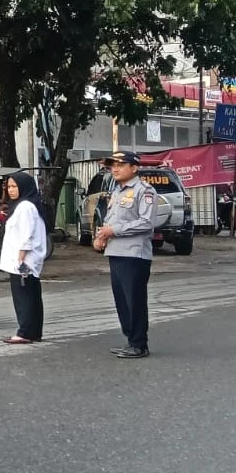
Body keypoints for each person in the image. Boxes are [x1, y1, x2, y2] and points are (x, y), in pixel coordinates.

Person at [93, 151, 156, 359]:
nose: (115, 169)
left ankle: (139, 344)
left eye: (120, 165)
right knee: (122, 301)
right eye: (112, 166)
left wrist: (114, 231)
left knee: (134, 300)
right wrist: (102, 236)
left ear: (134, 167)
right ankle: (130, 339)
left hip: (134, 254)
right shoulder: (117, 191)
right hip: (116, 252)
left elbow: (146, 223)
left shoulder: (144, 190)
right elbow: (111, 220)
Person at [0, 172, 47, 345]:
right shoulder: (25, 205)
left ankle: (25, 332)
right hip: (25, 260)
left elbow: (27, 235)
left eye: (14, 186)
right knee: (31, 294)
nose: (11, 190)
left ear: (24, 187)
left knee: (23, 295)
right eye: (9, 187)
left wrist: (20, 259)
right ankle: (34, 332)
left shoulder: (25, 206)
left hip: (23, 260)